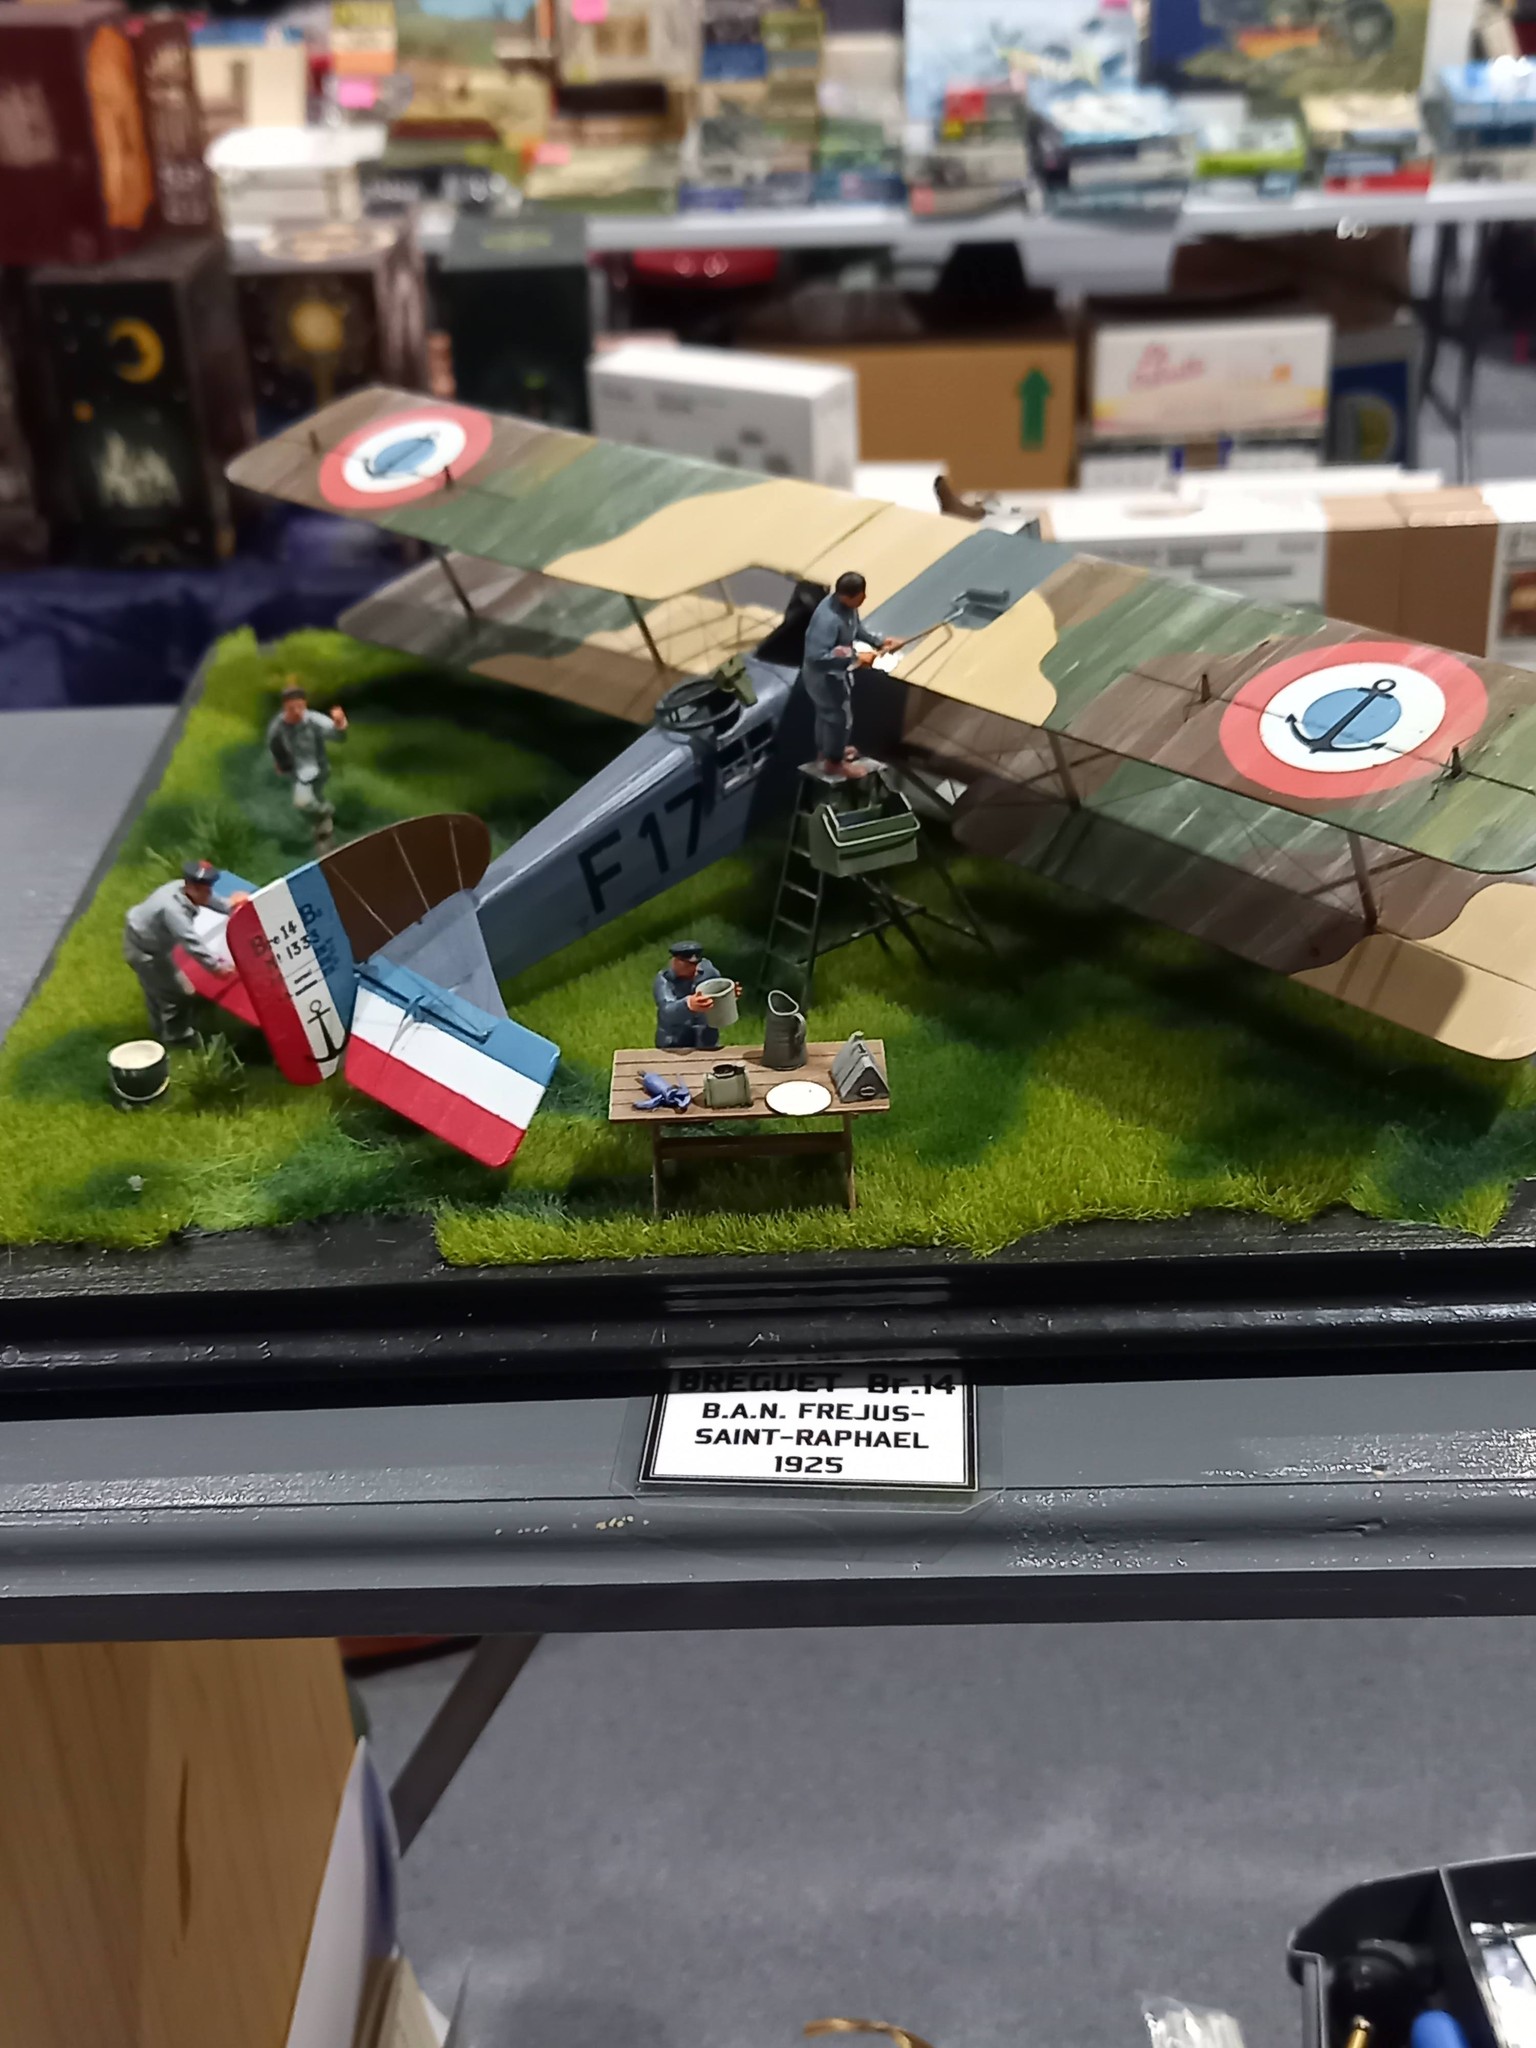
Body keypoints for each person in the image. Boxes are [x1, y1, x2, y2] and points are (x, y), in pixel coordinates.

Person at [122, 860, 250, 1047]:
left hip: (143, 942)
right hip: (147, 953)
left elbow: (208, 899)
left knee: (156, 990)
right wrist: (216, 967)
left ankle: (158, 1029)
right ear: (191, 887)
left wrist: (229, 905)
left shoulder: (181, 888)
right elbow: (191, 941)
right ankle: (177, 1038)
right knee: (178, 994)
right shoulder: (173, 910)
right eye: (203, 890)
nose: (208, 893)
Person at [798, 570, 899, 781]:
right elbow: (817, 656)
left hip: (835, 673)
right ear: (848, 596)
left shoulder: (848, 608)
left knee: (827, 716)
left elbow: (855, 628)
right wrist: (855, 658)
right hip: (823, 677)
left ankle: (828, 751)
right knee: (839, 718)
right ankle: (834, 763)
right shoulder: (828, 619)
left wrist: (878, 643)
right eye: (861, 595)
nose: (864, 598)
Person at [266, 680, 348, 849]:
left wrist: (340, 724)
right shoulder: (278, 725)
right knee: (307, 803)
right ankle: (324, 821)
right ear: (285, 707)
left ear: (305, 705)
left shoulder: (314, 720)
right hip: (297, 771)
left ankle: (325, 821)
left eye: (300, 707)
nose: (296, 712)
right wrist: (280, 761)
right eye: (292, 708)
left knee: (308, 801)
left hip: (318, 768)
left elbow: (337, 735)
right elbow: (273, 743)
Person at [653, 941, 741, 1052]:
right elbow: (666, 1012)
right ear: (675, 961)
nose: (694, 969)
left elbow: (717, 989)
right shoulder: (664, 980)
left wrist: (728, 996)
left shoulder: (708, 971)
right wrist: (688, 1005)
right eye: (688, 965)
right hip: (674, 1042)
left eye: (696, 964)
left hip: (705, 1039)